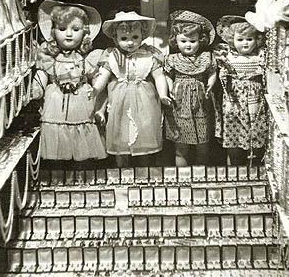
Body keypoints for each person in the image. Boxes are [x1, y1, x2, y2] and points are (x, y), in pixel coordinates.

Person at [32, 0, 107, 164]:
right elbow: (43, 74)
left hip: (81, 103)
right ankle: (60, 173)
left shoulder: (88, 59)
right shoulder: (49, 59)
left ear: (85, 32)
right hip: (55, 102)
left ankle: (81, 173)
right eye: (62, 29)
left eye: (75, 29)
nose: (68, 34)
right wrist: (37, 87)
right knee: (57, 137)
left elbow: (96, 79)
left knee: (83, 139)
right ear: (53, 31)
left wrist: (96, 89)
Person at [93, 11, 170, 168]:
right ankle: (122, 171)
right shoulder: (111, 56)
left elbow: (159, 76)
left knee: (145, 132)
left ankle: (144, 171)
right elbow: (103, 76)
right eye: (124, 39)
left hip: (145, 101)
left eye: (135, 37)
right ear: (116, 38)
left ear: (142, 36)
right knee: (121, 136)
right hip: (120, 101)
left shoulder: (149, 55)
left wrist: (163, 94)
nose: (130, 43)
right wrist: (95, 89)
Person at [163, 10, 217, 167]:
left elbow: (212, 71)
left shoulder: (206, 57)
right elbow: (167, 74)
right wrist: (171, 86)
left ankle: (201, 175)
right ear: (176, 41)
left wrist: (210, 83)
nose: (188, 45)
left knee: (203, 144)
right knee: (180, 145)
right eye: (183, 41)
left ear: (200, 40)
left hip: (200, 99)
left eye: (192, 41)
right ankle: (182, 177)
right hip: (179, 102)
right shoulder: (172, 59)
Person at [215, 16, 268, 166]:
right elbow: (222, 78)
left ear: (257, 40)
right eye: (240, 39)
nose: (245, 43)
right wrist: (224, 75)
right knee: (234, 131)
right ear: (232, 40)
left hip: (254, 97)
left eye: (249, 39)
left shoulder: (260, 55)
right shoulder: (227, 55)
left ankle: (255, 164)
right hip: (234, 99)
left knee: (256, 129)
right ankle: (234, 168)